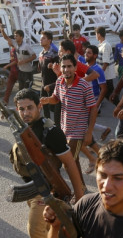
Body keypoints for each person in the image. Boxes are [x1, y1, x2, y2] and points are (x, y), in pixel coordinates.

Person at [10, 88, 84, 238]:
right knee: (48, 224)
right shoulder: (21, 126)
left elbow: (69, 163)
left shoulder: (51, 132)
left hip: (46, 189)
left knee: (34, 228)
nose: (26, 113)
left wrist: (81, 197)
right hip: (32, 184)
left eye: (30, 108)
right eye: (21, 109)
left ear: (40, 106)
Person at [40, 54, 98, 184]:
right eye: (64, 66)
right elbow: (56, 99)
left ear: (75, 67)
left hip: (78, 132)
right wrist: (47, 100)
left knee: (68, 162)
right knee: (74, 161)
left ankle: (80, 190)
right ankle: (81, 188)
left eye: (69, 66)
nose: (66, 70)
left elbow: (93, 109)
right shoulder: (60, 81)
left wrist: (89, 133)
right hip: (65, 130)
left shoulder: (84, 85)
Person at [0, 26, 36, 92]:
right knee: (21, 89)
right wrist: (2, 30)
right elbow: (6, 38)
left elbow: (34, 56)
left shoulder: (26, 46)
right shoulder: (15, 44)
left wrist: (24, 61)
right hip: (21, 71)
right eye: (14, 36)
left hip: (27, 72)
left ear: (21, 37)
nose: (15, 37)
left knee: (27, 90)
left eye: (16, 36)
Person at [38, 31, 60, 123]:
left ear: (49, 40)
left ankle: (58, 126)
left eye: (43, 38)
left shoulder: (54, 53)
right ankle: (47, 124)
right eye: (41, 38)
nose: (41, 40)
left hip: (53, 85)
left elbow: (60, 71)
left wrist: (52, 86)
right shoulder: (41, 53)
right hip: (44, 84)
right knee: (44, 105)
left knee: (54, 108)